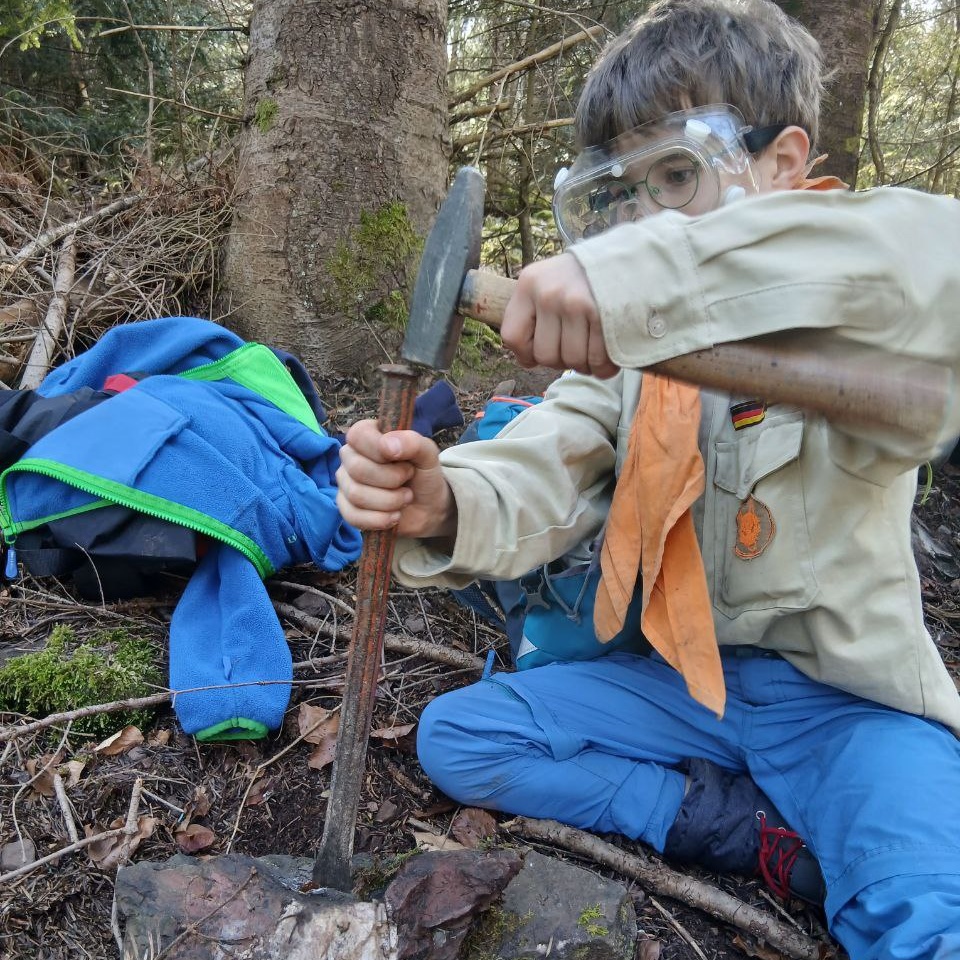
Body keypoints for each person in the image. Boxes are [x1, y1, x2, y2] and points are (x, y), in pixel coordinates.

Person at [336, 1, 960, 956]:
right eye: (621, 193)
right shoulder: (640, 371)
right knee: (462, 739)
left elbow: (933, 261)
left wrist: (643, 274)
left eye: (678, 173)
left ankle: (837, 821)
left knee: (923, 921)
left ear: (784, 167)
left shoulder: (859, 326)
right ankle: (739, 828)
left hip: (852, 712)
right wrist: (444, 500)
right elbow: (548, 455)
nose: (646, 214)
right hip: (688, 690)